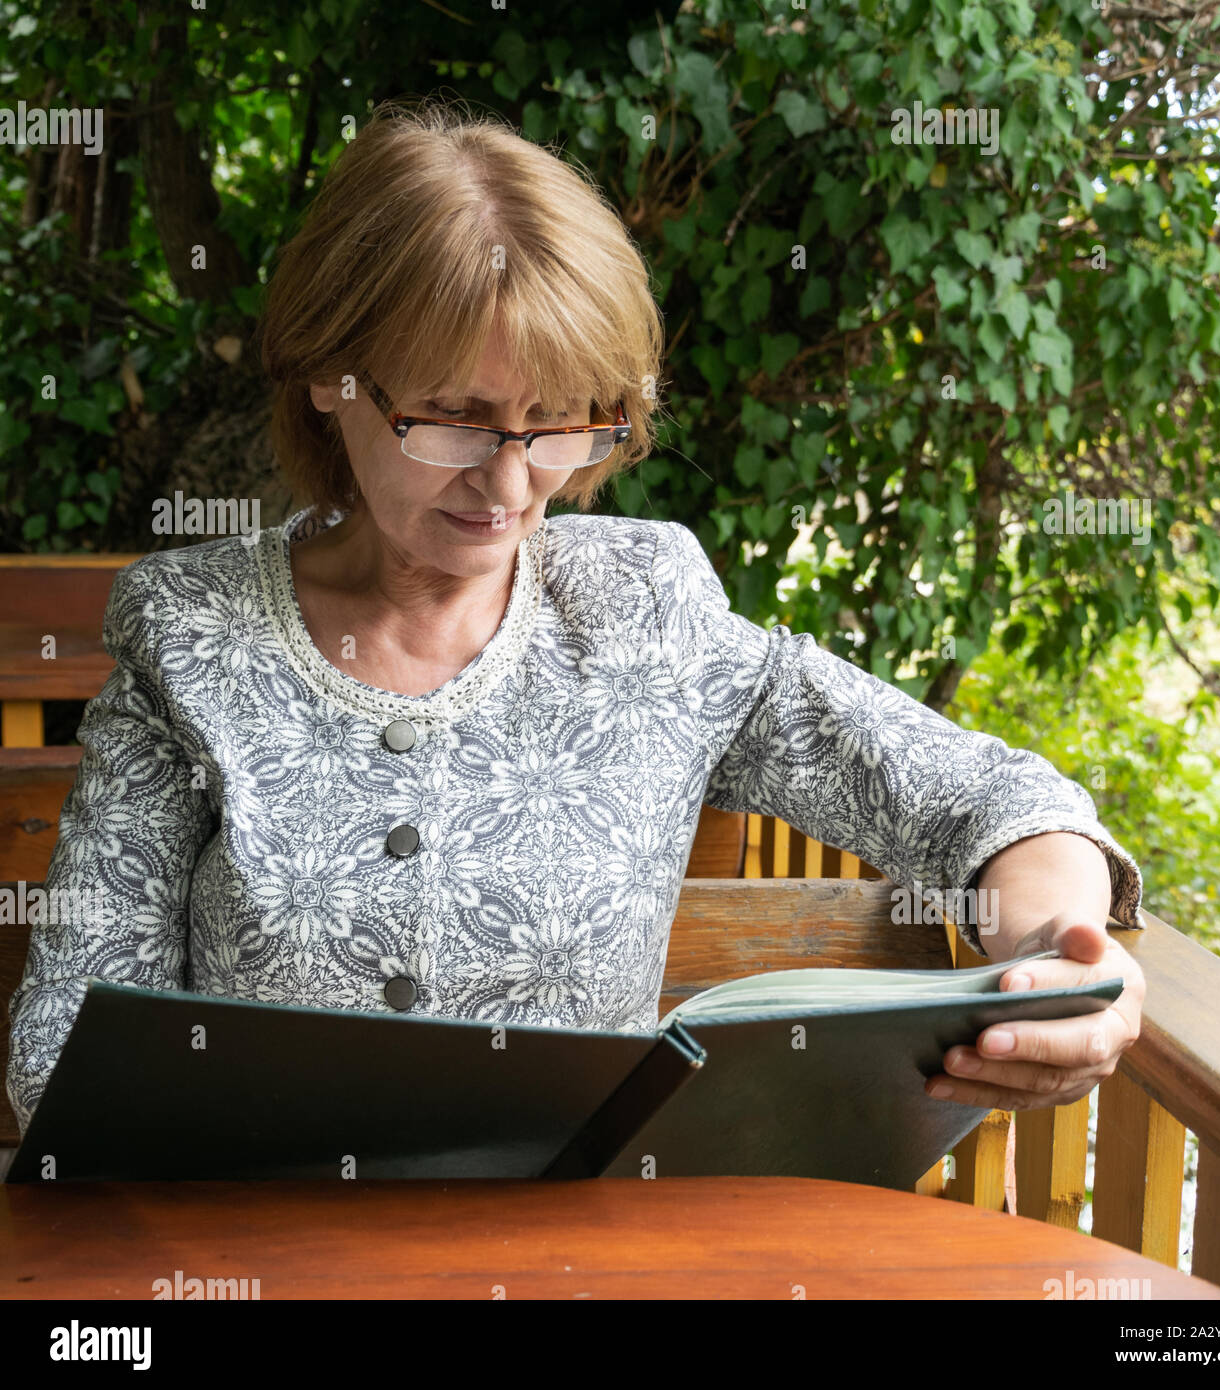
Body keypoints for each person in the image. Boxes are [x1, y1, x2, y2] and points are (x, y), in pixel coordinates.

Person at [5, 97, 1145, 1141]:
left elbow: (984, 796)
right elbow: (62, 1043)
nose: (510, 487)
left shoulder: (649, 614)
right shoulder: (187, 632)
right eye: (451, 418)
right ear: (326, 375)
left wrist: (1062, 951)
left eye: (560, 424)